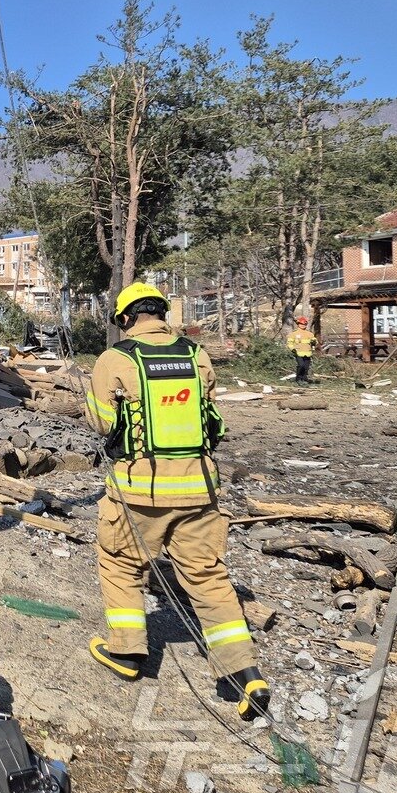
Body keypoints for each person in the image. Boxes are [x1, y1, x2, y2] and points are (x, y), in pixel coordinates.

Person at [83, 282, 270, 720]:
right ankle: (245, 675)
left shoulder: (115, 359)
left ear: (125, 318)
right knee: (207, 577)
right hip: (199, 487)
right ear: (162, 314)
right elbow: (208, 413)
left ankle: (127, 652)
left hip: (140, 490)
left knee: (121, 563)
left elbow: (101, 423)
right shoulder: (195, 355)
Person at [287, 317, 317, 385]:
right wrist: (292, 349)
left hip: (308, 353)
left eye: (304, 324)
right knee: (301, 365)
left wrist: (314, 342)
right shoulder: (294, 334)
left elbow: (314, 341)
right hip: (298, 353)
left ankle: (304, 378)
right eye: (301, 324)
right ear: (298, 324)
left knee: (306, 367)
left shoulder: (310, 334)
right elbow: (289, 343)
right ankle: (298, 378)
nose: (303, 325)